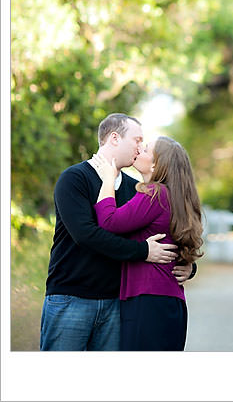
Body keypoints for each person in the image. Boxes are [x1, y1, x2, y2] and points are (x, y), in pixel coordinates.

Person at [39, 113, 193, 351]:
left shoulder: (138, 189)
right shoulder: (74, 178)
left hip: (117, 303)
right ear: (114, 139)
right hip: (72, 298)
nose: (141, 147)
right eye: (137, 140)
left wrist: (188, 266)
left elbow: (170, 231)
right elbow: (86, 235)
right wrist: (143, 251)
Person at [93, 136, 203, 349]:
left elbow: (108, 222)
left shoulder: (155, 193)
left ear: (155, 163)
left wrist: (108, 179)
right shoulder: (176, 196)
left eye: (145, 149)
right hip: (171, 302)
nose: (138, 149)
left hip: (148, 301)